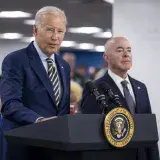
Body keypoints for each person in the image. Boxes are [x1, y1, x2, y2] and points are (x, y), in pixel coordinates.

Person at [0, 6, 70, 160]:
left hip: (55, 147)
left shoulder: (64, 66)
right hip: (24, 147)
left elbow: (59, 109)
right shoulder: (15, 60)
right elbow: (10, 104)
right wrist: (39, 121)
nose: (55, 37)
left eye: (60, 31)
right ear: (35, 30)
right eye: (50, 30)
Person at [81, 37, 159, 160]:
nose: (126, 54)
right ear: (106, 57)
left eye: (129, 50)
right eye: (119, 50)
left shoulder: (141, 87)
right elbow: (89, 132)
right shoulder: (95, 89)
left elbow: (149, 129)